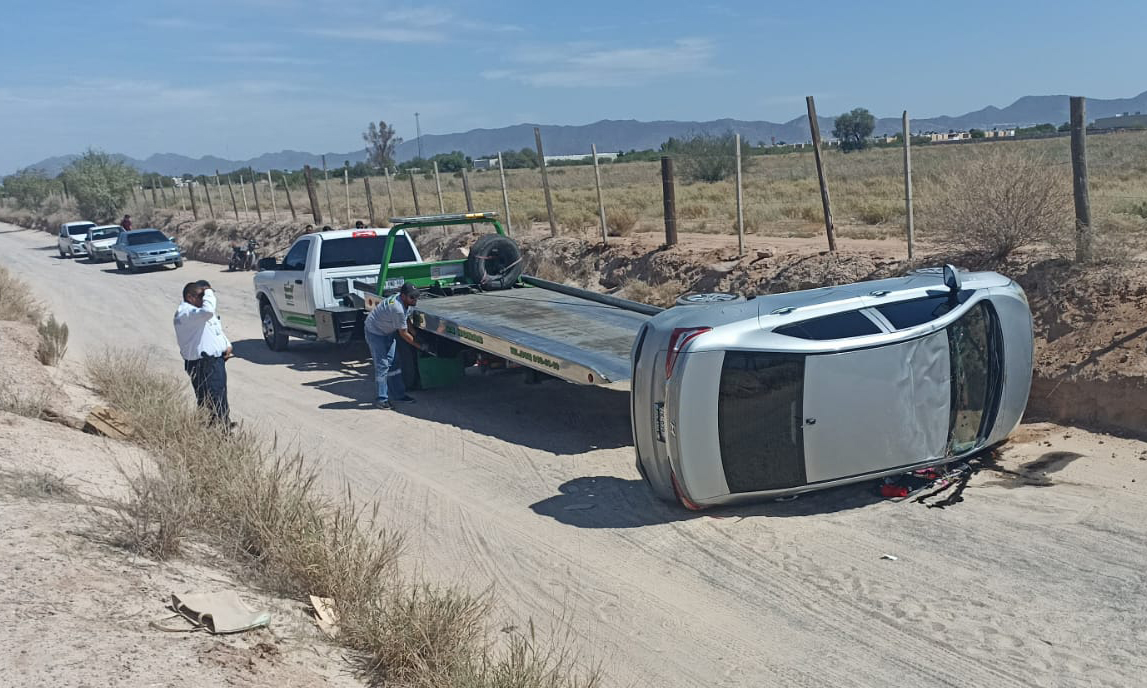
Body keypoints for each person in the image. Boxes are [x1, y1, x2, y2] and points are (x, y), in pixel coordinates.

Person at [174, 280, 233, 426]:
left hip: (214, 362)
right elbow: (208, 311)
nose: (205, 298)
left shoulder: (199, 314)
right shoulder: (186, 312)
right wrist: (209, 292)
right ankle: (219, 433)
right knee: (212, 401)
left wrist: (227, 345)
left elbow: (214, 330)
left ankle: (221, 426)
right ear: (190, 297)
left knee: (218, 398)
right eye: (202, 295)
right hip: (203, 364)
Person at [363, 282, 423, 409]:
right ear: (403, 296)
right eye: (412, 297)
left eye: (416, 296)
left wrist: (416, 333)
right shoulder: (397, 308)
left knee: (394, 363)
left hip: (387, 331)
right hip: (375, 333)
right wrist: (420, 345)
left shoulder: (403, 303)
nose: (415, 299)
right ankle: (381, 399)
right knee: (382, 365)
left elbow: (405, 321)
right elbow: (403, 333)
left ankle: (398, 395)